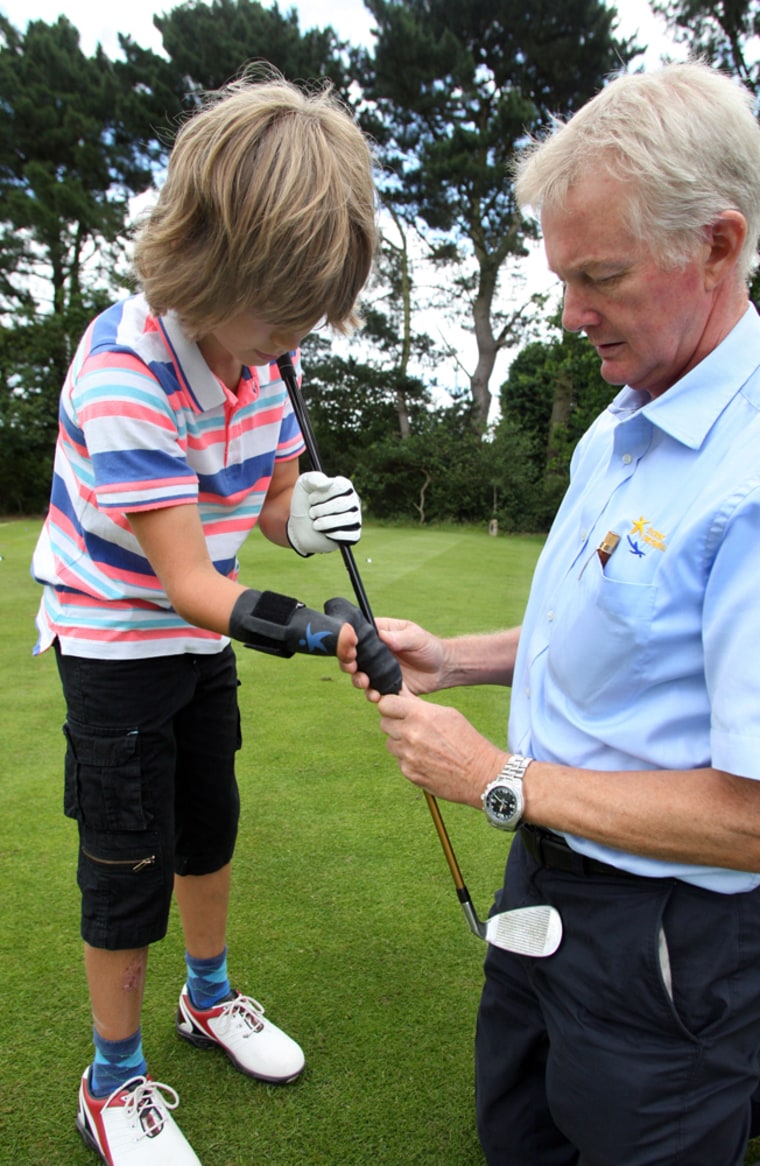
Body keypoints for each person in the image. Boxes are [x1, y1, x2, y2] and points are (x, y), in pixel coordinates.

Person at [340, 61, 760, 1166]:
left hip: (666, 928)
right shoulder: (621, 418)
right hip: (547, 874)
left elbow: (753, 814)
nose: (570, 313)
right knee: (520, 1129)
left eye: (601, 275)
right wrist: (455, 660)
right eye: (561, 275)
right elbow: (626, 636)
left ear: (717, 244)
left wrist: (496, 775)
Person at [31, 70, 389, 1166]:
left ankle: (208, 996)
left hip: (195, 643)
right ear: (210, 265)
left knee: (210, 821)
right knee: (127, 861)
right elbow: (187, 576)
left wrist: (303, 519)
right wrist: (315, 623)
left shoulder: (263, 357)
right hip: (119, 642)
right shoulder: (126, 371)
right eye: (281, 312)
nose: (292, 340)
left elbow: (271, 498)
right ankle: (113, 1078)